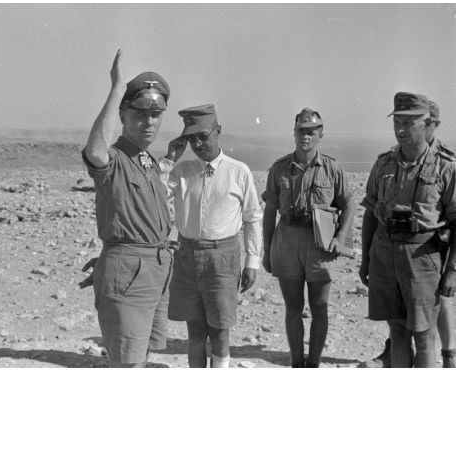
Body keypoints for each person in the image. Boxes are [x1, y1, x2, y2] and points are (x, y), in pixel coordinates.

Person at [82, 49, 174, 368]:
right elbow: (95, 151)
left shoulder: (146, 161)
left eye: (156, 114)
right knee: (127, 364)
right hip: (130, 273)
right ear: (123, 116)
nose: (149, 122)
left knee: (141, 357)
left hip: (154, 269)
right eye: (139, 114)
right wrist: (117, 88)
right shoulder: (116, 158)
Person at [159, 104, 262, 368]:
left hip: (223, 259)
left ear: (218, 131)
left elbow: (252, 217)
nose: (197, 144)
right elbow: (153, 195)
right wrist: (169, 159)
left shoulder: (238, 171)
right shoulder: (181, 172)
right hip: (187, 257)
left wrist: (252, 262)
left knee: (219, 333)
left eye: (203, 136)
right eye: (191, 138)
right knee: (195, 334)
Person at [359, 92, 456, 368]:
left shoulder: (446, 166)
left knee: (424, 337)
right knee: (398, 334)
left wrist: (451, 271)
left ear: (427, 124)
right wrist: (366, 259)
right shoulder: (383, 164)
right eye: (397, 122)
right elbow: (370, 214)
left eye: (408, 123)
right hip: (385, 255)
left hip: (421, 257)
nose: (400, 130)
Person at [262, 108, 355, 367]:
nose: (305, 136)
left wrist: (341, 236)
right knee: (293, 307)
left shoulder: (332, 168)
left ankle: (313, 363)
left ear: (320, 135)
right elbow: (270, 211)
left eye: (311, 131)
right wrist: (267, 251)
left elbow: (349, 202)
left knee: (319, 306)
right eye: (301, 131)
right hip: (287, 241)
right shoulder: (279, 168)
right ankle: (296, 361)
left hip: (319, 243)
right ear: (294, 133)